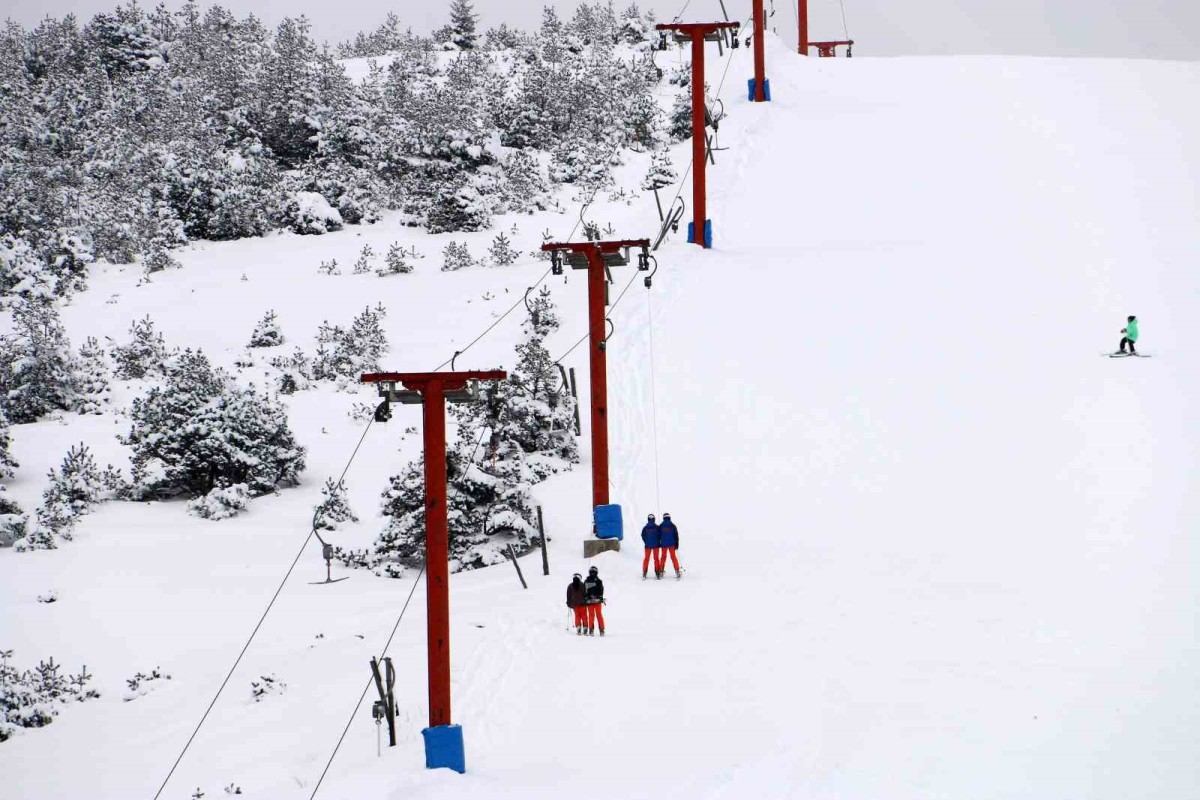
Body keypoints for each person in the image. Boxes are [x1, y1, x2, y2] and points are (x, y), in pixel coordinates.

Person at [583, 565, 605, 636]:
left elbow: (584, 591)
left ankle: (591, 630)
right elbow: (601, 590)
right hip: (597, 600)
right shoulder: (599, 581)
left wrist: (586, 597)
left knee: (591, 615)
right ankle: (601, 630)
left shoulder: (586, 581)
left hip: (589, 601)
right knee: (599, 615)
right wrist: (600, 597)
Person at [658, 512, 682, 579]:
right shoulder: (673, 525)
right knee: (673, 557)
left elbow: (658, 535)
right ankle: (677, 571)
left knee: (663, 557)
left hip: (663, 545)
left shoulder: (661, 525)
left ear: (664, 518)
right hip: (672, 544)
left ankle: (660, 572)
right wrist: (677, 544)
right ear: (669, 517)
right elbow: (676, 536)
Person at [641, 513, 662, 579]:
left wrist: (646, 541)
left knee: (646, 559)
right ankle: (657, 573)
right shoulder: (657, 527)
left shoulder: (645, 527)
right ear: (654, 519)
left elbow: (642, 535)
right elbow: (660, 536)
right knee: (656, 559)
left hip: (647, 546)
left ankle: (644, 572)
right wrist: (658, 541)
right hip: (656, 545)